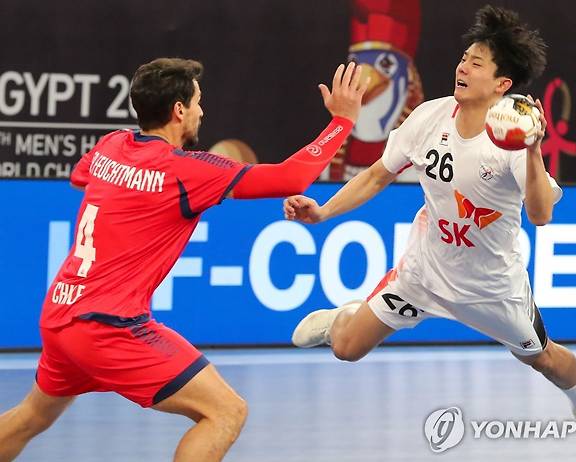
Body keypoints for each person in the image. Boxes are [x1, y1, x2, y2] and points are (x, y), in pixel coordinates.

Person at [0, 58, 367, 462]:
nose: (202, 111)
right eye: (197, 102)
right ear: (179, 110)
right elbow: (289, 178)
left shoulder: (110, 146)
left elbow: (81, 178)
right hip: (109, 326)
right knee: (225, 411)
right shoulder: (186, 170)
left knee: (30, 417)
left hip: (61, 315)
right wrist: (342, 121)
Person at [284, 6, 576, 459]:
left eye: (477, 63)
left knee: (548, 361)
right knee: (345, 348)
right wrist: (322, 213)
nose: (462, 66)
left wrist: (534, 152)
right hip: (422, 275)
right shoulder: (429, 118)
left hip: (492, 291)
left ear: (502, 84)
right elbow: (377, 176)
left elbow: (539, 216)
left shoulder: (514, 141)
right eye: (464, 58)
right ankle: (345, 316)